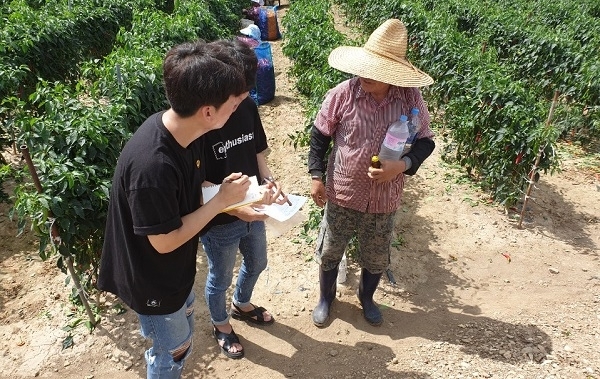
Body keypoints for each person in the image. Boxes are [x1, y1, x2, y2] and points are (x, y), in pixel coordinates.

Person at [97, 40, 253, 379]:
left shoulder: (183, 132)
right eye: (233, 102)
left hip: (173, 273)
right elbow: (164, 241)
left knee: (182, 334)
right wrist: (222, 203)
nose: (237, 109)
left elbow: (190, 194)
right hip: (152, 280)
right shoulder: (152, 166)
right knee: (173, 350)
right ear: (208, 111)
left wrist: (235, 203)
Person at [307, 19, 436, 327]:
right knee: (330, 249)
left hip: (384, 197)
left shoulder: (409, 99)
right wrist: (315, 175)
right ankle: (326, 298)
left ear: (391, 75)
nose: (364, 76)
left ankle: (367, 298)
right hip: (343, 190)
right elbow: (319, 136)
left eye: (374, 72)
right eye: (363, 68)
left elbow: (426, 142)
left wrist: (401, 166)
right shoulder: (343, 94)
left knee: (376, 255)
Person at [199, 39, 288, 359]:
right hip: (221, 220)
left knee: (258, 261)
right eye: (236, 97)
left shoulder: (247, 105)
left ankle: (241, 303)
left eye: (243, 95)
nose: (242, 102)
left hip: (253, 208)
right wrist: (239, 209)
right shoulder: (202, 121)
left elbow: (255, 149)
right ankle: (220, 324)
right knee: (219, 276)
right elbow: (201, 185)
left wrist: (268, 180)